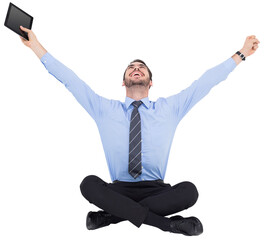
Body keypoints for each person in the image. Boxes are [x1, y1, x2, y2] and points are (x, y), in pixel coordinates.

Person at [19, 25, 259, 236]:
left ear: (150, 82)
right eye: (131, 67)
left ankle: (113, 216)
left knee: (190, 191)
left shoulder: (170, 108)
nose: (136, 69)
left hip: (156, 189)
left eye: (142, 67)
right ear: (123, 81)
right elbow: (70, 80)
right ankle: (168, 226)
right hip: (118, 188)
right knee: (88, 184)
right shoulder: (103, 109)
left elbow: (206, 82)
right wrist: (36, 46)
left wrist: (241, 54)